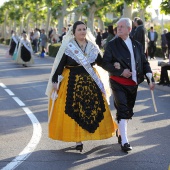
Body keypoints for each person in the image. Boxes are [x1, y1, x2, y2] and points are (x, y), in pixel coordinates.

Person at [45, 21, 118, 152]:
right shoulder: (69, 47)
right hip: (72, 83)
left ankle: (103, 132)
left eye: (84, 29)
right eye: (79, 29)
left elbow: (102, 63)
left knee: (93, 110)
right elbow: (60, 66)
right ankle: (78, 140)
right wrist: (55, 80)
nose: (82, 31)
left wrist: (115, 67)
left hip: (91, 83)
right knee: (74, 110)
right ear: (74, 32)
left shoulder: (92, 47)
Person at [102, 18, 155, 152]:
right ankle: (125, 141)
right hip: (117, 81)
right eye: (118, 27)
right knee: (123, 109)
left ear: (129, 29)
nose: (118, 29)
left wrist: (150, 77)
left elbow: (144, 63)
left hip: (133, 83)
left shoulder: (137, 45)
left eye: (122, 27)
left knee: (128, 111)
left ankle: (120, 131)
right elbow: (105, 63)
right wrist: (120, 71)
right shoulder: (112, 45)